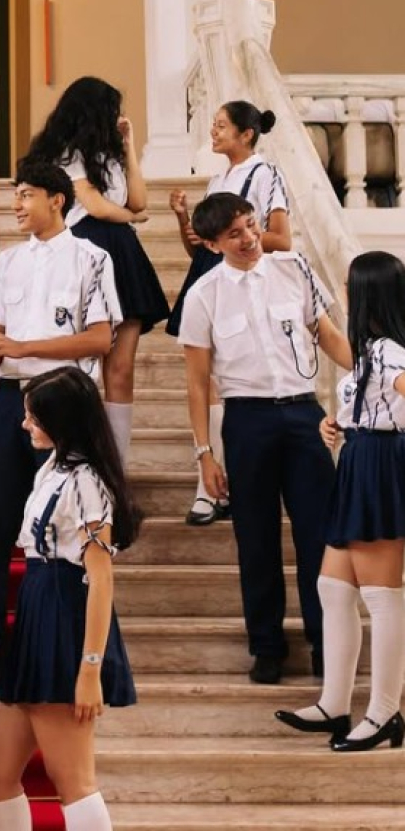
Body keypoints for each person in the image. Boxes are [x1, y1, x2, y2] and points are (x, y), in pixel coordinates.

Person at [0, 161, 122, 683]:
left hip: (66, 401)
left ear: (57, 200)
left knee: (71, 526)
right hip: (8, 398)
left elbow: (100, 339)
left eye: (25, 195)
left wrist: (24, 346)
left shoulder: (94, 258)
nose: (17, 205)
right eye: (15, 196)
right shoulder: (8, 262)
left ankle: (69, 642)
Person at [178, 193, 351, 685]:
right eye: (235, 234)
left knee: (320, 534)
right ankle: (267, 646)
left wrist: (373, 375)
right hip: (246, 422)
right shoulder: (203, 296)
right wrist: (204, 454)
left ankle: (326, 641)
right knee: (255, 538)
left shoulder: (293, 268)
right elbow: (196, 382)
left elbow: (328, 335)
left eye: (251, 226)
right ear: (211, 243)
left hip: (304, 416)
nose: (251, 238)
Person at [0, 366, 139, 831]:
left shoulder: (87, 481)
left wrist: (89, 669)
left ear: (62, 422)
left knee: (73, 780)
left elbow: (101, 580)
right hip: (37, 607)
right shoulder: (54, 464)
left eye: (34, 417)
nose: (24, 424)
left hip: (64, 615)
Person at [275, 251, 405, 752]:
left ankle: (385, 712)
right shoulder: (371, 349)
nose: (343, 293)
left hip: (378, 466)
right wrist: (340, 423)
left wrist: (381, 433)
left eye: (350, 286)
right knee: (332, 586)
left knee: (381, 596)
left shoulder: (390, 351)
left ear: (369, 292)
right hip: (358, 461)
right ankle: (335, 702)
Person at [22, 76, 169, 463]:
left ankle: (114, 466)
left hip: (123, 255)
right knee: (78, 368)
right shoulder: (66, 156)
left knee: (121, 371)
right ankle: (75, 455)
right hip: (83, 250)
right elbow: (100, 208)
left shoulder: (111, 157)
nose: (117, 116)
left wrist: (129, 145)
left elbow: (138, 199)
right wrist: (134, 220)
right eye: (112, 110)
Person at [167, 101, 291, 526]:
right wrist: (185, 218)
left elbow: (282, 238)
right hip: (208, 277)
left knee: (223, 384)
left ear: (246, 134)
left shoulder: (264, 173)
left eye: (221, 126)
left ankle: (215, 489)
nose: (213, 132)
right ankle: (215, 486)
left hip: (239, 279)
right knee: (207, 383)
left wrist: (242, 238)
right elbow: (201, 247)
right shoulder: (219, 177)